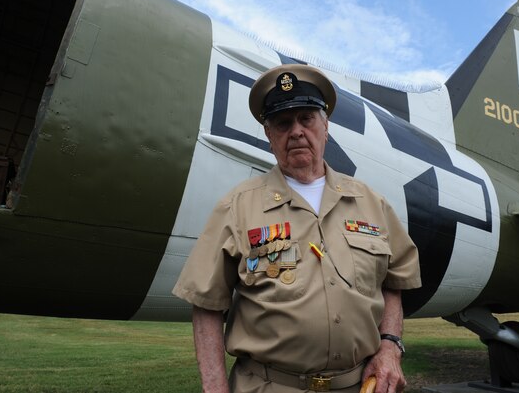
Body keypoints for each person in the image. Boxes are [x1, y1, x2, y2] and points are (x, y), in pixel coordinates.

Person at [172, 63, 421, 393]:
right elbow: (206, 305)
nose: (297, 131)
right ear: (269, 135)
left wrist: (390, 346)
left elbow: (394, 281)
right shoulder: (237, 207)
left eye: (307, 119)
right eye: (283, 122)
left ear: (326, 126)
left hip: (358, 386)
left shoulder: (372, 204)